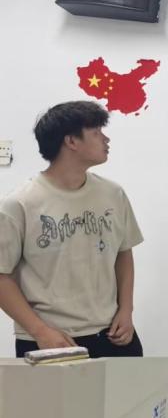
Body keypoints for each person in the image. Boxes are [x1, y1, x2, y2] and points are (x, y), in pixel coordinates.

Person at [0, 101, 144, 358]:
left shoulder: (113, 194)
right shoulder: (19, 203)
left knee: (136, 386)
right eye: (97, 132)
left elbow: (123, 254)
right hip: (50, 340)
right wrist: (40, 331)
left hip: (112, 333)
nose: (106, 139)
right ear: (71, 141)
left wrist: (126, 310)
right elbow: (2, 276)